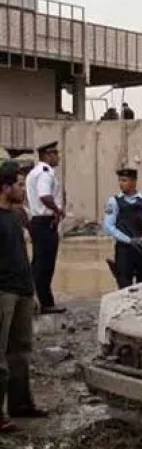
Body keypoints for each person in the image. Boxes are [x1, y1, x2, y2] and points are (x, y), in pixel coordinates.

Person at [0, 164, 47, 432]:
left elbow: (22, 257)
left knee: (21, 351)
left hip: (23, 291)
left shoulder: (16, 216)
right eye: (19, 184)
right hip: (3, 292)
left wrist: (33, 291)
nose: (23, 189)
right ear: (5, 188)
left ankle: (20, 404)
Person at [25, 141, 66, 314]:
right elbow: (44, 196)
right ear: (48, 155)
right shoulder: (45, 173)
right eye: (55, 154)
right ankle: (45, 303)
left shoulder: (34, 172)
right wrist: (58, 210)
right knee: (45, 265)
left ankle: (37, 300)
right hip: (45, 222)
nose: (58, 157)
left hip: (38, 221)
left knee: (39, 263)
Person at [103, 168, 142, 289]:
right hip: (124, 250)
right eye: (120, 180)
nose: (121, 183)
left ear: (134, 182)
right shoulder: (113, 202)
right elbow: (108, 226)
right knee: (124, 285)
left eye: (124, 180)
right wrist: (128, 240)